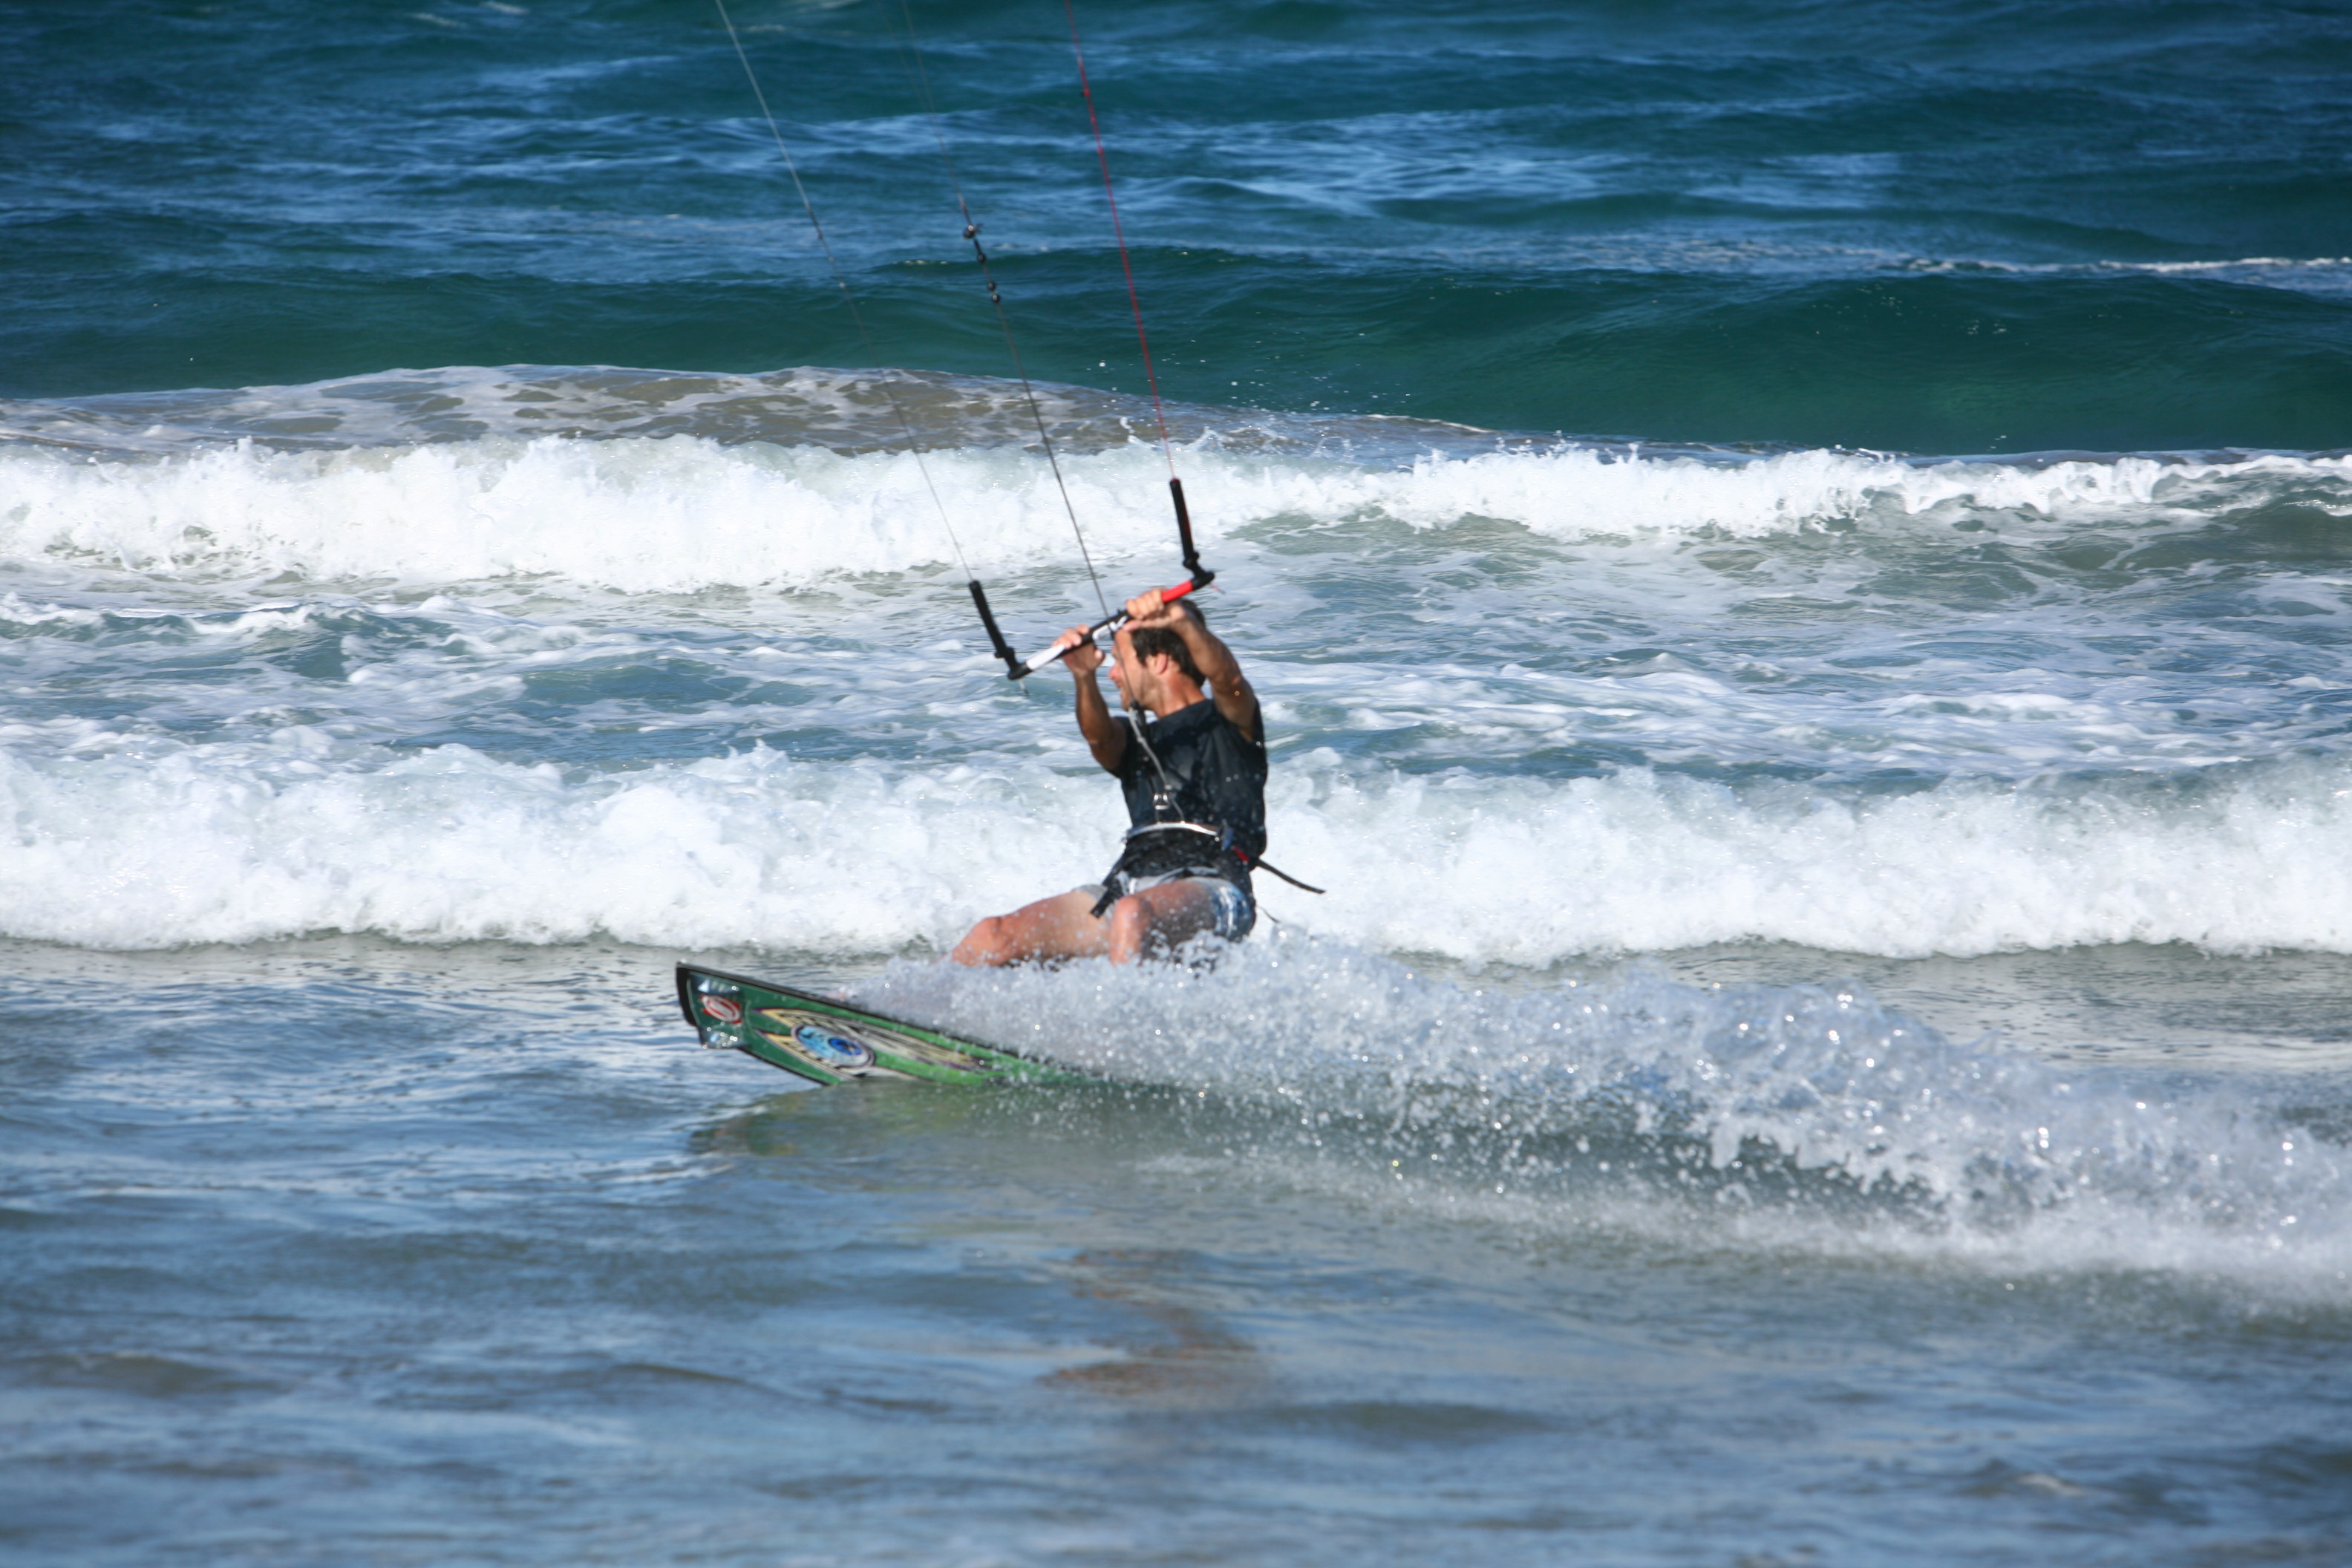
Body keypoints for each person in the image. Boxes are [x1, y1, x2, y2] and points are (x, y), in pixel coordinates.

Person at [950, 587, 1267, 966]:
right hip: (1128, 886)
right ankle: (891, 1006)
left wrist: (1181, 620)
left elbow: (1227, 677)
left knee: (1133, 916)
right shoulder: (1134, 741)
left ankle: (1121, 1023)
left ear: (1160, 662)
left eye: (1119, 661)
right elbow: (1099, 737)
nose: (1113, 674)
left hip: (1216, 889)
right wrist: (1084, 676)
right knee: (993, 936)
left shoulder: (1230, 721)